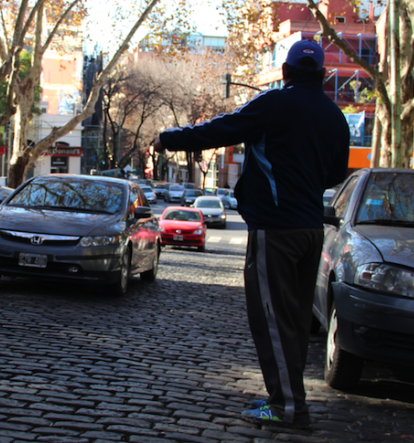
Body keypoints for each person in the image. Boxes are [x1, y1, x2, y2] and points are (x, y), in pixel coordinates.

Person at [152, 39, 350, 429]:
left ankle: (287, 407)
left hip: (275, 229)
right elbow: (336, 174)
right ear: (324, 75)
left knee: (272, 319)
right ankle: (286, 399)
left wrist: (168, 138)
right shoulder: (335, 116)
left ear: (285, 72)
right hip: (311, 229)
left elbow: (218, 130)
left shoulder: (273, 104)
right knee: (294, 320)